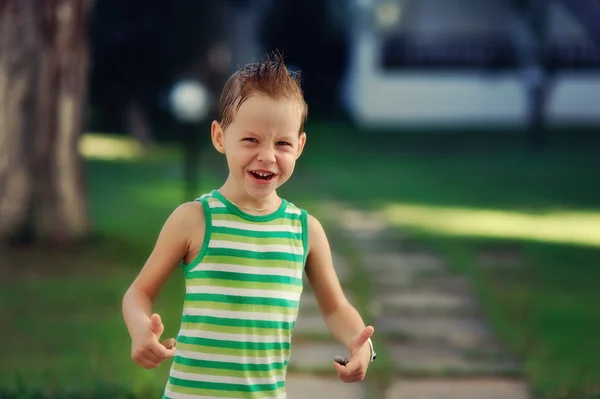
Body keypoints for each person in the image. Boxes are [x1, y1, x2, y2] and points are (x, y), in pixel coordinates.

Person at [122, 52, 376, 399]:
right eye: (251, 140)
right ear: (219, 137)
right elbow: (138, 293)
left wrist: (361, 344)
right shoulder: (194, 220)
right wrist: (140, 329)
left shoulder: (305, 231)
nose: (268, 155)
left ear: (299, 146)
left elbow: (336, 308)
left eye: (282, 143)